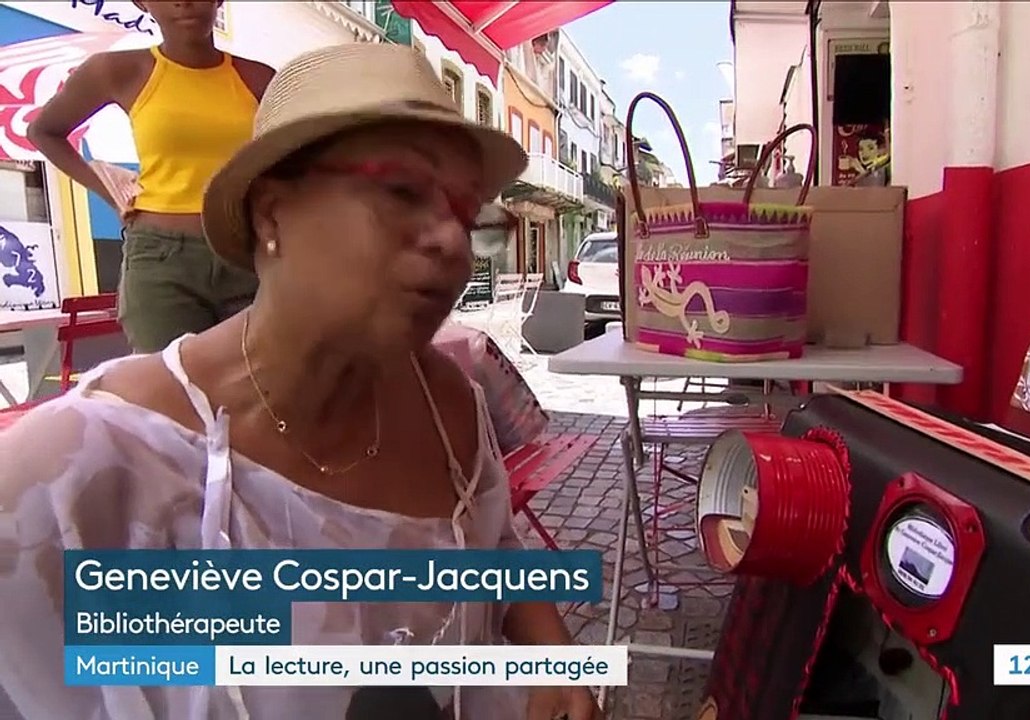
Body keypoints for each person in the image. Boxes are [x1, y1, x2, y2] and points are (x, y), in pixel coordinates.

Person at [0, 42, 602, 720]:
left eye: (469, 216)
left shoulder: (452, 407)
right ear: (272, 214)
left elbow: (492, 547)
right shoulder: (77, 475)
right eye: (402, 191)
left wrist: (554, 661)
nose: (452, 243)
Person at [28, 0, 274, 353]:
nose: (183, 2)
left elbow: (289, 160)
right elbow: (44, 131)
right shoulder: (119, 70)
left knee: (258, 388)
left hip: (246, 253)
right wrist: (109, 192)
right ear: (142, 3)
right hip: (162, 261)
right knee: (168, 393)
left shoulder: (260, 78)